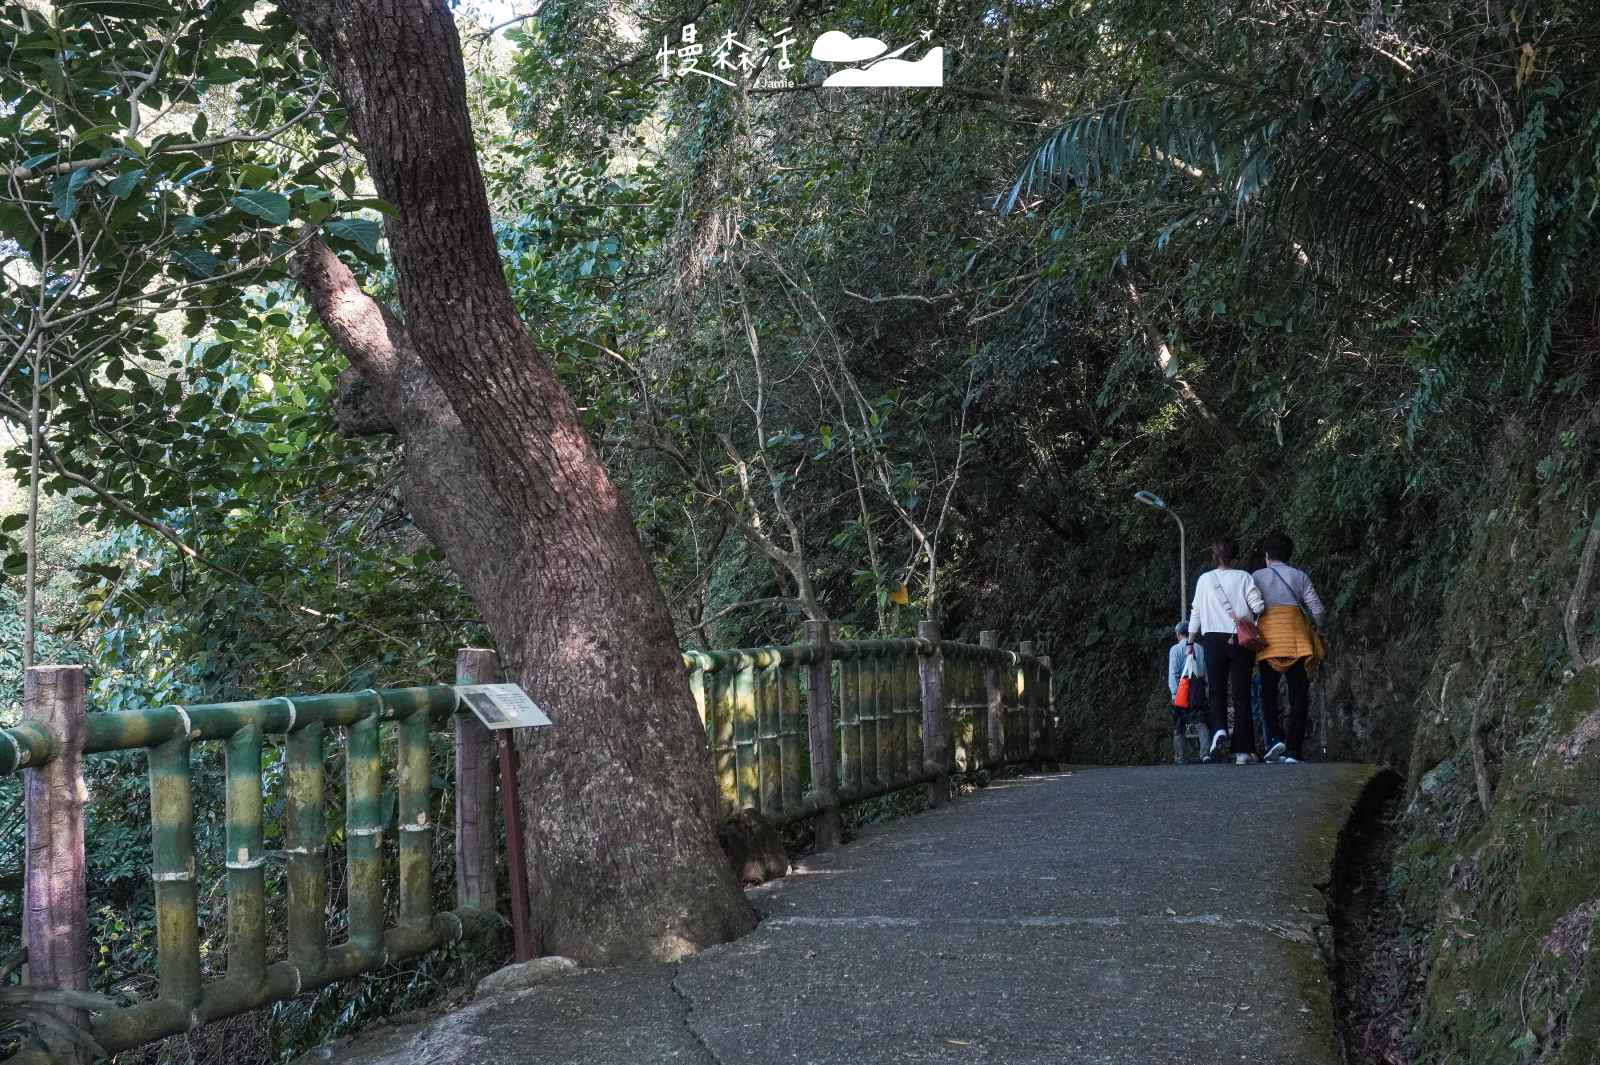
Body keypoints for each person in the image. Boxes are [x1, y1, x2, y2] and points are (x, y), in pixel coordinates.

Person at [1186, 538, 1266, 765]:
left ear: (1214, 557)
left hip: (1212, 640)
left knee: (1216, 693)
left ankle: (1219, 729)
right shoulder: (1244, 577)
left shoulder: (1204, 580)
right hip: (1240, 639)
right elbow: (1259, 606)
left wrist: (1191, 641)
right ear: (1234, 556)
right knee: (1242, 695)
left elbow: (1196, 612)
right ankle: (1242, 751)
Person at [1252, 530, 1326, 764]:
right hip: (1297, 641)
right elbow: (1317, 609)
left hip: (1268, 642)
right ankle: (1294, 750)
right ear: (1289, 554)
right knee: (1299, 695)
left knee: (1268, 694)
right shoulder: (1299, 576)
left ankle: (1275, 739)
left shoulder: (1257, 576)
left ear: (1266, 555)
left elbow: (1250, 608)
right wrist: (1320, 628)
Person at [1166, 622, 1211, 763]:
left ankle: (1180, 757)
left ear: (1179, 634)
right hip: (1197, 689)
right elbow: (1203, 671)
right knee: (1200, 721)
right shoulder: (1199, 648)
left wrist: (1174, 693)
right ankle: (1205, 754)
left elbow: (1173, 673)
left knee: (1179, 725)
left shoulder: (1175, 649)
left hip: (1181, 688)